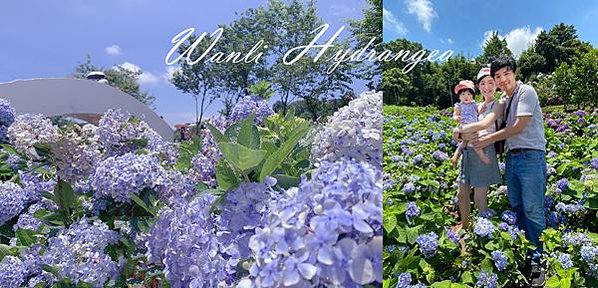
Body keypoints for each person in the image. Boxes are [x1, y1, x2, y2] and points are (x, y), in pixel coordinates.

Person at [471, 56, 547, 287]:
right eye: (497, 76)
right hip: (513, 159)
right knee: (517, 205)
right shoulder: (506, 98)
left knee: (533, 208)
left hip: (531, 156)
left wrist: (488, 139)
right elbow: (491, 118)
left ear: (514, 72)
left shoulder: (526, 92)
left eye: (506, 74)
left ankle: (537, 261)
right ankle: (525, 250)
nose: (502, 79)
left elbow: (519, 127)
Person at [452, 68, 502, 233]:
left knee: (480, 198)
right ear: (478, 87)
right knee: (462, 194)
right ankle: (465, 226)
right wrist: (459, 135)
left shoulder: (498, 104)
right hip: (467, 151)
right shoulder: (475, 106)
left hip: (484, 151)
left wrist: (459, 130)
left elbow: (483, 125)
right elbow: (460, 134)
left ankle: (482, 235)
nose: (487, 87)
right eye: (483, 83)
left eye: (490, 83)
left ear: (496, 85)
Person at [451, 80, 491, 167]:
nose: (466, 96)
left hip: (473, 126)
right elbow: (455, 115)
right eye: (463, 94)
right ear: (459, 96)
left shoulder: (474, 104)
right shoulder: (459, 106)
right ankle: (482, 156)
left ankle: (455, 156)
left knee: (465, 143)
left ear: (473, 96)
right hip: (464, 126)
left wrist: (482, 110)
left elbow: (478, 112)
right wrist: (457, 118)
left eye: (469, 94)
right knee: (472, 140)